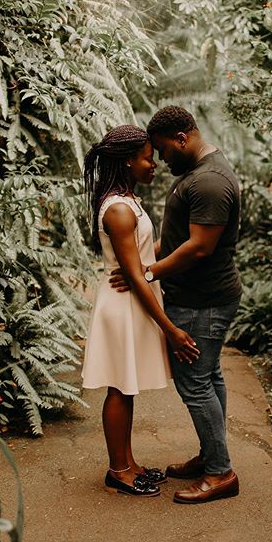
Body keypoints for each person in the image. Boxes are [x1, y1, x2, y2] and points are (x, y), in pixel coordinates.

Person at [110, 106, 242, 504]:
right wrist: (145, 266)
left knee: (196, 383)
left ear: (182, 138)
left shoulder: (209, 182)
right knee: (209, 377)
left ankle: (221, 473)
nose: (161, 159)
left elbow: (199, 247)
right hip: (200, 298)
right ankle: (211, 455)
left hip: (204, 302)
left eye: (163, 151)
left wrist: (148, 272)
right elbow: (181, 238)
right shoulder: (197, 175)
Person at [81, 124, 200, 498]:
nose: (154, 164)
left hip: (132, 298)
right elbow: (135, 276)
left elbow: (142, 260)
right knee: (119, 387)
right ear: (128, 160)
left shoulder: (126, 200)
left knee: (126, 387)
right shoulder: (117, 209)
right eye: (148, 158)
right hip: (123, 305)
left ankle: (128, 463)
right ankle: (118, 470)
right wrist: (169, 329)